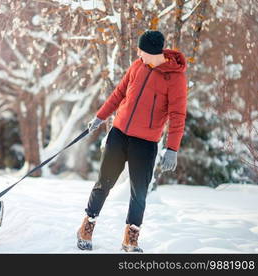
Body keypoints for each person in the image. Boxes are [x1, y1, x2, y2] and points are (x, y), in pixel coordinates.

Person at [77, 30, 187, 252]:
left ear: (154, 52)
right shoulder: (138, 66)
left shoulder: (175, 78)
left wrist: (172, 148)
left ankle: (131, 237)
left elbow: (178, 115)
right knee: (103, 183)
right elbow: (118, 94)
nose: (138, 54)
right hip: (119, 135)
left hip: (145, 143)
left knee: (139, 192)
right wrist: (100, 117)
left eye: (142, 51)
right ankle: (86, 226)